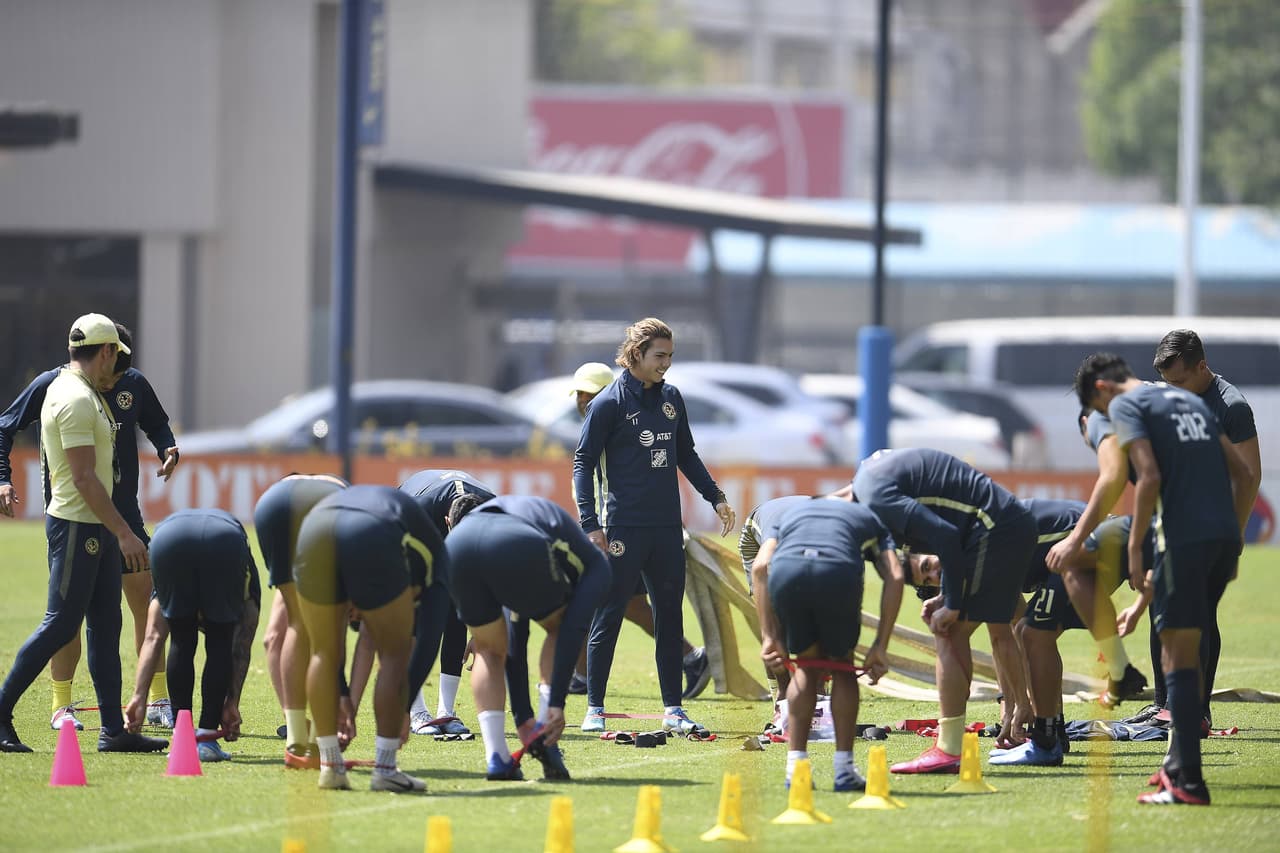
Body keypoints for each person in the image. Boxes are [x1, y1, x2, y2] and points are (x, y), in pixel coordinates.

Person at [1073, 353, 1250, 805]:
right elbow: (1245, 474)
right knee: (1185, 638)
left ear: (1101, 391)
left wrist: (1134, 551)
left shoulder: (1129, 405)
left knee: (1176, 656)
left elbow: (1145, 475)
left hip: (1183, 537)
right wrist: (1229, 533)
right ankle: (1174, 766)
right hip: (1221, 537)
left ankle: (1187, 780)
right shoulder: (1188, 401)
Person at [0, 323, 181, 731]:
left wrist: (167, 446)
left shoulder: (130, 382)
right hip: (76, 518)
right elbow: (5, 428)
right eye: (114, 364)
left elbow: (156, 423)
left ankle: (152, 701)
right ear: (105, 354)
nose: (115, 377)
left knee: (140, 604)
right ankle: (61, 705)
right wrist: (3, 477)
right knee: (66, 618)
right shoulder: (59, 387)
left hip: (123, 516)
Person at [573, 319, 735, 735]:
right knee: (608, 614)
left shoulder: (672, 399)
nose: (666, 364)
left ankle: (673, 709)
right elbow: (583, 462)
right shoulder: (607, 403)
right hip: (622, 526)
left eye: (670, 356)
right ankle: (595, 708)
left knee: (669, 617)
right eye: (659, 356)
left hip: (666, 528)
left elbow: (687, 455)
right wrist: (590, 523)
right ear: (636, 355)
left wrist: (715, 497)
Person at [852, 447, 1036, 774]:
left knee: (948, 631)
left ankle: (949, 749)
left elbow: (946, 534)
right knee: (1003, 629)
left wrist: (951, 603)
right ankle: (1034, 721)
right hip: (1003, 525)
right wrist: (949, 595)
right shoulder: (867, 477)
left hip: (994, 529)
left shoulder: (877, 499)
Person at [293, 484, 452, 792]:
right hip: (373, 529)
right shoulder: (435, 562)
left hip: (314, 527)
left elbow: (334, 653)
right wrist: (404, 708)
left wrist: (342, 695)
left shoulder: (424, 560)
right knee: (395, 653)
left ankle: (330, 765)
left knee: (322, 653)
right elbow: (428, 639)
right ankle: (385, 768)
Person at [565, 361, 709, 700]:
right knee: (624, 604)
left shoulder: (618, 418)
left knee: (597, 601)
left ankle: (588, 682)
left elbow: (676, 457)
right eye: (580, 395)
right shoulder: (600, 422)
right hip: (606, 527)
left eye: (590, 394)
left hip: (618, 528)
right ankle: (690, 658)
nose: (584, 402)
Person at [444, 493, 611, 781]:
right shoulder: (599, 570)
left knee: (487, 648)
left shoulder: (527, 523)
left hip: (456, 545)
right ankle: (547, 732)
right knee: (557, 625)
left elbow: (515, 638)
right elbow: (570, 632)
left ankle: (497, 757)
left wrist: (523, 720)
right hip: (513, 540)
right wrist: (556, 702)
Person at [752, 497, 905, 791]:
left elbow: (760, 567)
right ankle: (844, 769)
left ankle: (795, 768)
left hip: (789, 572)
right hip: (836, 572)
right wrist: (879, 646)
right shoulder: (868, 516)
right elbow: (895, 575)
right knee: (842, 667)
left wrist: (770, 636)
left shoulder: (791, 513)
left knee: (806, 668)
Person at [1153, 329, 1261, 726]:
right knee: (1160, 607)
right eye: (1169, 384)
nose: (1174, 390)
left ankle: (1196, 710)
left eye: (1180, 381)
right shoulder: (1170, 395)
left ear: (1202, 366)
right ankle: (1164, 702)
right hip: (1174, 525)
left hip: (1211, 529)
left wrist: (1233, 534)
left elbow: (1249, 476)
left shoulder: (1231, 407)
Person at [993, 500, 1150, 766]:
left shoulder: (982, 554)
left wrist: (1019, 704)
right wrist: (1011, 704)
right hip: (1103, 541)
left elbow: (1002, 640)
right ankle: (1054, 731)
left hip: (1097, 545)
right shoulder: (981, 556)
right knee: (1034, 634)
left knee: (1032, 633)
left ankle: (1047, 739)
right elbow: (1011, 632)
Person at [124, 509, 257, 761]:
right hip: (225, 541)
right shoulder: (247, 579)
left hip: (168, 539)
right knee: (221, 637)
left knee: (181, 639)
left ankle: (182, 740)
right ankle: (206, 740)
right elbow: (242, 643)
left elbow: (153, 636)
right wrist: (232, 701)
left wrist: (138, 697)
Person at [1045, 410, 1152, 709]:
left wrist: (1076, 541)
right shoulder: (1157, 421)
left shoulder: (1098, 420)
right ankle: (1173, 711)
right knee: (1183, 619)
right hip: (1188, 528)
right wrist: (1137, 608)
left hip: (1127, 532)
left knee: (1033, 632)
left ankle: (1045, 730)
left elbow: (1116, 477)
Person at [254, 473, 349, 766]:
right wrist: (343, 693)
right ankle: (325, 737)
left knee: (297, 620)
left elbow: (272, 638)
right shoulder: (344, 496)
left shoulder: (285, 489)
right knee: (327, 623)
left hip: (269, 504)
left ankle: (296, 738)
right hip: (326, 506)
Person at [399, 468, 495, 736]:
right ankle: (416, 712)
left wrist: (481, 629)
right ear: (447, 522)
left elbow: (487, 577)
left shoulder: (494, 511)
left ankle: (446, 711)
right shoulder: (418, 512)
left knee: (455, 612)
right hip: (411, 531)